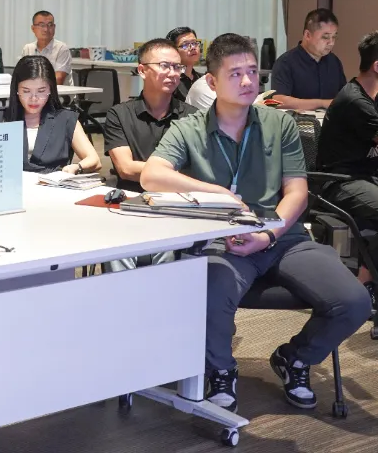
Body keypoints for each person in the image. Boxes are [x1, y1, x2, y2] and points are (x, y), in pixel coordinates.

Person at [141, 33, 371, 413]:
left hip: (283, 236)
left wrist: (268, 234)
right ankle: (221, 369)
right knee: (208, 291)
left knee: (354, 302)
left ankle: (294, 358)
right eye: (235, 74)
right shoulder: (189, 128)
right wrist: (214, 191)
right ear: (212, 81)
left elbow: (297, 192)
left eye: (252, 71)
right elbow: (151, 175)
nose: (248, 81)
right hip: (225, 241)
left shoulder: (279, 123)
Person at [102, 39, 197, 272]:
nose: (173, 73)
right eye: (165, 66)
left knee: (167, 250)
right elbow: (125, 169)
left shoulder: (193, 117)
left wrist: (155, 174)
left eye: (177, 67)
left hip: (176, 204)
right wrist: (171, 174)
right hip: (129, 203)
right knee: (117, 250)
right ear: (142, 70)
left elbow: (195, 169)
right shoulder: (120, 114)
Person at [316, 31, 378, 296]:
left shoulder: (372, 96)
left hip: (364, 177)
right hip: (339, 182)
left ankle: (366, 278)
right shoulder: (355, 100)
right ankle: (364, 282)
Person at [0, 56, 101, 174]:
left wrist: (76, 167)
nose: (34, 98)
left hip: (52, 188)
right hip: (11, 187)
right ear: (16, 90)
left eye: (41, 91)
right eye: (26, 91)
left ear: (51, 90)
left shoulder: (65, 119)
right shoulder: (2, 119)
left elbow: (94, 159)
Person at [271, 8, 347, 111]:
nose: (331, 43)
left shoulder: (334, 61)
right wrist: (322, 103)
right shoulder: (286, 62)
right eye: (325, 37)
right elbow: (278, 101)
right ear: (307, 35)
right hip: (297, 120)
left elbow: (343, 97)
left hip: (331, 120)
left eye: (334, 37)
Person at [21, 11, 71, 85]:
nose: (46, 29)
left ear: (54, 27)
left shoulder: (61, 48)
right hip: (34, 90)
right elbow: (23, 76)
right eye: (42, 25)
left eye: (50, 25)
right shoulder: (27, 48)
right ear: (33, 28)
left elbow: (58, 79)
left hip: (58, 91)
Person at [168, 26, 203, 102]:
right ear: (173, 50)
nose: (193, 48)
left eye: (194, 43)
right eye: (185, 45)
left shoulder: (204, 79)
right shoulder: (169, 81)